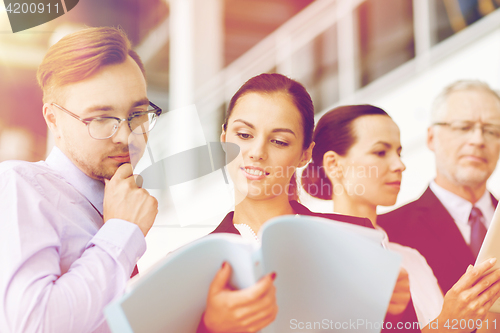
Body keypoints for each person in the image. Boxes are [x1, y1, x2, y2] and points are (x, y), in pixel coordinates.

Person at [198, 73, 417, 333]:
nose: (257, 152)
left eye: (279, 141)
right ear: (224, 139)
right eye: (244, 135)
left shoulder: (358, 237)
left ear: (305, 154)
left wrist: (392, 312)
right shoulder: (197, 262)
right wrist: (211, 327)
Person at [0, 27, 160, 332]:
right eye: (101, 118)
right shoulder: (19, 185)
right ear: (53, 120)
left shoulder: (125, 201)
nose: (126, 137)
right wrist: (122, 232)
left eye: (138, 113)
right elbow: (33, 325)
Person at [301, 104, 500, 331]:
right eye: (380, 152)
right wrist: (448, 323)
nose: (399, 165)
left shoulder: (412, 259)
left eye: (398, 152)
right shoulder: (315, 255)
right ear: (334, 165)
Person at [378, 80, 500, 295]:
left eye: (492, 130)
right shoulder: (387, 234)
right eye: (463, 127)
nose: (478, 140)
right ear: (431, 137)